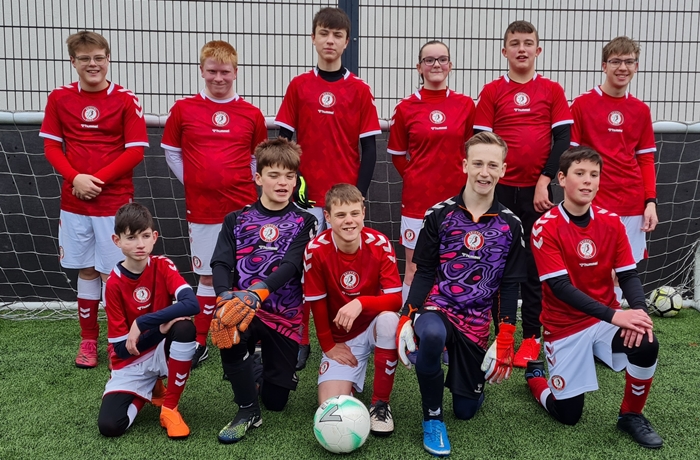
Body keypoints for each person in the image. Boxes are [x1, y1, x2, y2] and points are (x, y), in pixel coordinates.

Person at [398, 132, 527, 457]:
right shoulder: (439, 215)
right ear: (465, 165)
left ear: (503, 170)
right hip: (438, 308)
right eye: (478, 163)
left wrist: (507, 334)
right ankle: (432, 420)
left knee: (466, 409)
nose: (485, 172)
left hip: (477, 323)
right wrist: (407, 314)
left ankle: (469, 382)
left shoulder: (511, 225)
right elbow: (424, 270)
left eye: (492, 165)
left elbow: (509, 284)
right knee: (429, 335)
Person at [526, 146, 662, 449]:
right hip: (564, 327)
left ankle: (631, 415)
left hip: (602, 320)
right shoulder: (544, 227)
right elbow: (560, 288)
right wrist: (616, 315)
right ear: (561, 178)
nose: (588, 181)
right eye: (579, 173)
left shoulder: (611, 222)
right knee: (568, 415)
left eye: (594, 175)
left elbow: (628, 275)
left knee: (646, 340)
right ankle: (536, 378)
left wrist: (638, 313)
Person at [275, 7, 382, 370]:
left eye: (337, 35)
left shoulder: (359, 90)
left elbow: (369, 148)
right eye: (324, 33)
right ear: (314, 38)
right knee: (302, 267)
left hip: (343, 205)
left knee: (345, 266)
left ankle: (351, 330)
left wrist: (358, 195)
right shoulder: (299, 86)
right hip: (305, 199)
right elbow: (284, 142)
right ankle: (302, 337)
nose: (330, 41)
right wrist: (291, 188)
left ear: (347, 42)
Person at [40, 31, 149, 368]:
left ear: (108, 59)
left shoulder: (126, 100)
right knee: (86, 271)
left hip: (113, 204)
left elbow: (135, 152)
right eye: (85, 58)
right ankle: (88, 341)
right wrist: (75, 178)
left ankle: (119, 341)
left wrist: (94, 181)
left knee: (112, 273)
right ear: (73, 62)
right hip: (74, 204)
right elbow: (51, 147)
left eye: (99, 57)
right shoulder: (59, 98)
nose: (93, 64)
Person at [161, 40, 268, 369]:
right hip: (202, 208)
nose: (218, 77)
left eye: (225, 71)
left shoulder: (251, 113)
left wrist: (242, 187)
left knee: (251, 274)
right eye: (212, 71)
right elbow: (172, 152)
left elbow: (256, 159)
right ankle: (200, 341)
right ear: (201, 70)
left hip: (243, 209)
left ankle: (254, 336)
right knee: (208, 277)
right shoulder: (183, 110)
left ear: (235, 72)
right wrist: (195, 181)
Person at [473, 20, 573, 368]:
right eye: (514, 43)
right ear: (504, 51)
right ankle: (493, 335)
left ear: (538, 50)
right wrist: (487, 186)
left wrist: (545, 179)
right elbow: (482, 145)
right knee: (493, 265)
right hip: (497, 194)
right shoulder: (490, 92)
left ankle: (530, 337)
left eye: (527, 43)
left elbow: (563, 140)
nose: (521, 48)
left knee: (533, 267)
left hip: (537, 194)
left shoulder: (552, 91)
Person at [209, 138, 317, 444]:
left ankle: (254, 369)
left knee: (277, 403)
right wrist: (223, 295)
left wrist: (258, 292)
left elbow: (292, 265)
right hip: (243, 309)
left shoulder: (305, 221)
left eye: (289, 176)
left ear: (296, 180)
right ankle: (246, 410)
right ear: (258, 178)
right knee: (225, 323)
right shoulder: (237, 218)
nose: (282, 183)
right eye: (274, 175)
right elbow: (220, 262)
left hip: (283, 315)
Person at [303, 184, 402, 437]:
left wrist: (361, 303)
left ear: (363, 213)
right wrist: (328, 346)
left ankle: (380, 403)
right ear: (327, 217)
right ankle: (349, 379)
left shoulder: (379, 243)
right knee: (330, 412)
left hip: (373, 326)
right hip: (344, 336)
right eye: (341, 215)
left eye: (355, 213)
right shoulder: (316, 250)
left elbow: (395, 301)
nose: (349, 221)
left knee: (390, 320)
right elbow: (317, 302)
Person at [97, 203, 199, 439]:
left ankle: (169, 408)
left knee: (184, 328)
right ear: (117, 240)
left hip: (162, 350)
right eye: (131, 237)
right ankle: (147, 391)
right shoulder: (112, 284)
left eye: (145, 236)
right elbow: (122, 350)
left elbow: (192, 304)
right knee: (111, 427)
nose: (140, 244)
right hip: (130, 361)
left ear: (154, 237)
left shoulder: (163, 266)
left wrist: (142, 323)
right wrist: (160, 328)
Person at [387, 40, 476, 304]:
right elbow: (397, 157)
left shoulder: (466, 105)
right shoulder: (405, 108)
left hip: (457, 201)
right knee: (414, 269)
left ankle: (451, 330)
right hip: (417, 202)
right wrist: (418, 177)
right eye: (429, 60)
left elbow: (472, 153)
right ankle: (407, 327)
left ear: (450, 65)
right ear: (419, 67)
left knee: (454, 266)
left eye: (442, 59)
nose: (436, 64)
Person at [569, 36, 658, 302]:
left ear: (637, 66)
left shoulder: (641, 110)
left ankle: (613, 326)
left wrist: (650, 201)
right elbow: (572, 156)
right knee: (592, 262)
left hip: (631, 201)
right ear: (604, 66)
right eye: (616, 61)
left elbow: (645, 160)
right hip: (594, 200)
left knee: (623, 270)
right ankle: (586, 322)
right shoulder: (582, 105)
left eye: (629, 61)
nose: (623, 67)